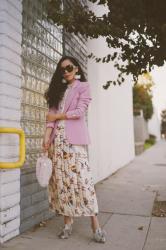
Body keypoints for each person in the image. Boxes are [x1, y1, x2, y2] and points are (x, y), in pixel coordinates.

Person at [42, 55, 106, 243]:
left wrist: (58, 117)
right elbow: (50, 116)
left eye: (69, 67)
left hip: (74, 142)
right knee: (62, 183)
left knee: (83, 181)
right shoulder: (58, 90)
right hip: (57, 143)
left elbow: (79, 112)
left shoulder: (83, 87)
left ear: (76, 68)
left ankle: (95, 225)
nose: (66, 71)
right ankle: (67, 224)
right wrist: (46, 138)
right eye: (62, 69)